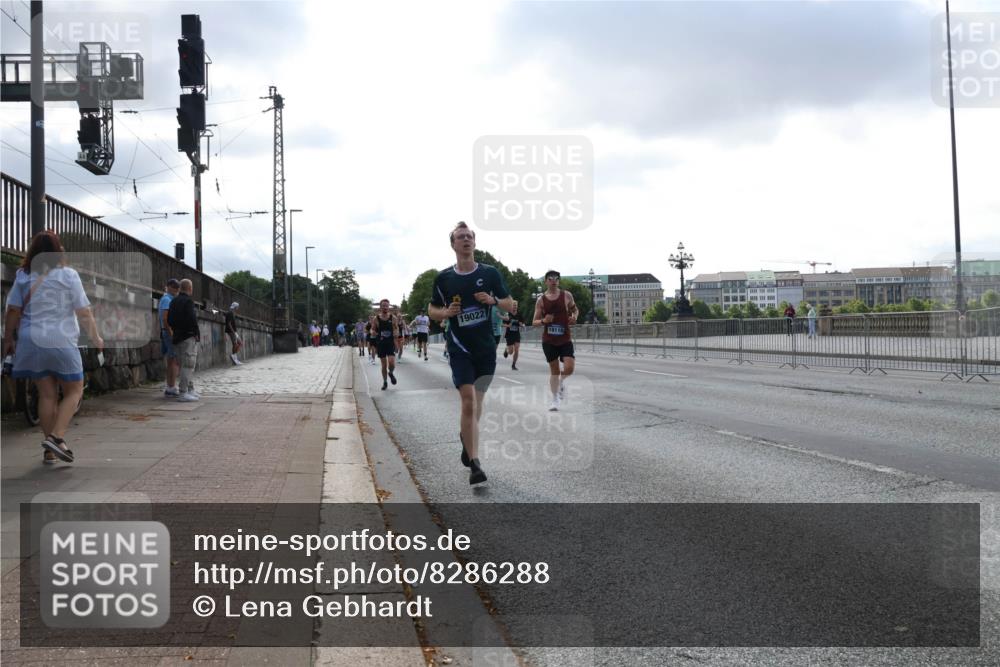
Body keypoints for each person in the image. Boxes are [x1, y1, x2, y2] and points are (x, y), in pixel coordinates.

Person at [3, 230, 103, 464]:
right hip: (61, 340)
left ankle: (49, 451)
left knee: (46, 394)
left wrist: (8, 339)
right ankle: (57, 438)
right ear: (58, 251)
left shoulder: (22, 275)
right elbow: (84, 312)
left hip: (31, 340)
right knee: (75, 390)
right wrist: (96, 338)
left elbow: (13, 310)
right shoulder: (68, 275)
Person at [429, 221, 514, 485]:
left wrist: (493, 301)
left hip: (486, 347)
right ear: (453, 244)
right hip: (459, 346)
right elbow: (432, 309)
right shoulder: (444, 278)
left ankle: (467, 439)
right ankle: (475, 464)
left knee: (477, 403)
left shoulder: (490, 274)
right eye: (460, 237)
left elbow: (511, 305)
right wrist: (445, 313)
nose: (465, 239)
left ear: (474, 242)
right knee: (468, 401)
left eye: (469, 236)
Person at [533, 270, 578, 411]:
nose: (554, 280)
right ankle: (554, 400)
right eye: (550, 278)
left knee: (569, 368)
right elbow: (534, 321)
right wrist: (544, 320)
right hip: (549, 340)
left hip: (564, 338)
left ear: (558, 281)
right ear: (546, 281)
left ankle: (561, 381)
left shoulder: (567, 295)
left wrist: (574, 317)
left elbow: (575, 310)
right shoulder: (541, 300)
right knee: (554, 370)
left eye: (556, 278)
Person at [168, 279, 200, 401]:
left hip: (177, 337)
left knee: (183, 365)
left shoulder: (173, 301)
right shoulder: (188, 302)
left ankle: (190, 390)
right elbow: (192, 319)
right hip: (188, 337)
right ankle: (183, 392)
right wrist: (196, 333)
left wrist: (177, 328)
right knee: (189, 365)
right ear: (190, 289)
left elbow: (169, 320)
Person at [159, 279, 181, 395]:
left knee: (171, 360)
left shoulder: (167, 299)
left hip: (166, 332)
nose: (177, 290)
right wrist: (172, 333)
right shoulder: (167, 300)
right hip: (168, 333)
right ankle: (171, 386)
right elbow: (165, 318)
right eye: (175, 288)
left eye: (177, 288)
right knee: (173, 361)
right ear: (169, 287)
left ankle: (170, 386)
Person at [372, 300, 398, 390]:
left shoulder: (393, 318)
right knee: (383, 364)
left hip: (390, 342)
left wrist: (396, 333)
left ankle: (390, 372)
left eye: (387, 306)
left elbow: (396, 328)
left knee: (391, 362)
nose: (385, 307)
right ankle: (385, 382)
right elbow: (372, 329)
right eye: (383, 306)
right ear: (380, 307)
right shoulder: (376, 318)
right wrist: (373, 332)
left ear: (388, 307)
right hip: (381, 343)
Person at [503, 302, 522, 370]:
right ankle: (506, 350)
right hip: (509, 335)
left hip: (516, 334)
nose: (515, 307)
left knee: (517, 349)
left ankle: (513, 365)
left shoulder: (519, 314)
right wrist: (508, 325)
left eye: (516, 305)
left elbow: (522, 323)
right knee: (511, 352)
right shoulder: (508, 314)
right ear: (511, 306)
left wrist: (522, 324)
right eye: (514, 305)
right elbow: (502, 324)